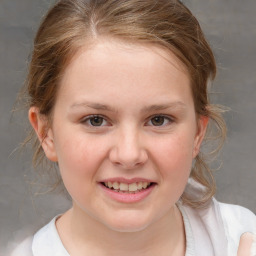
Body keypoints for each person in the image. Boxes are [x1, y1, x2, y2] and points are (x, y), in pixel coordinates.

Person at [10, 0, 256, 255]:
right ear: (46, 133)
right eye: (96, 120)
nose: (129, 155)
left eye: (158, 120)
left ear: (197, 133)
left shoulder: (244, 240)